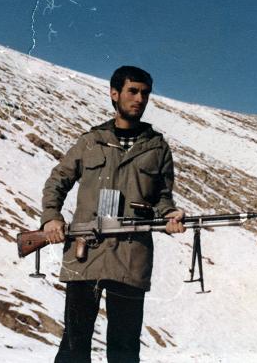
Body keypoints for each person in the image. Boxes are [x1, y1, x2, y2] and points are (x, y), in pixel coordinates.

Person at [40, 65, 185, 363]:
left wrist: (170, 214)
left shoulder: (157, 148)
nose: (140, 99)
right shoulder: (90, 141)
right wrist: (51, 217)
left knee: (124, 348)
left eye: (145, 93)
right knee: (74, 344)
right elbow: (57, 181)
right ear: (115, 93)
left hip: (131, 257)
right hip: (85, 254)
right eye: (133, 91)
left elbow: (162, 196)